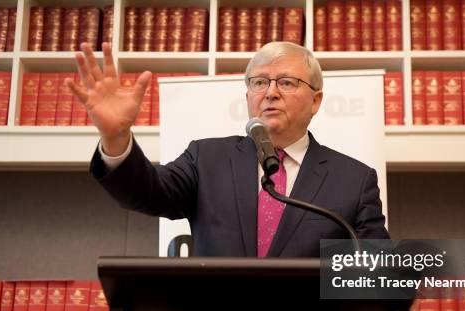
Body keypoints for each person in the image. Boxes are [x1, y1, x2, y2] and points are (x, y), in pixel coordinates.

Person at [67, 41, 389, 257]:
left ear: (316, 100)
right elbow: (147, 193)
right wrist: (116, 137)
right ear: (247, 95)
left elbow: (384, 277)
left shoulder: (354, 180)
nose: (270, 93)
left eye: (287, 83)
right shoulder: (205, 160)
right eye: (259, 82)